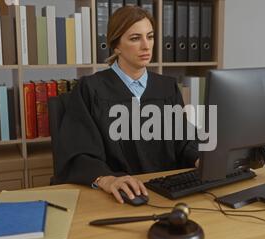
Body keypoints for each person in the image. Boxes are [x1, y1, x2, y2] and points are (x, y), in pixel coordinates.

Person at [52, 6, 199, 203]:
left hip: (164, 193)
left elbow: (183, 142)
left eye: (150, 36)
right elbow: (78, 151)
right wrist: (107, 179)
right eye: (135, 38)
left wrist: (200, 158)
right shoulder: (92, 88)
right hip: (115, 198)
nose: (146, 46)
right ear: (116, 45)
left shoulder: (167, 88)